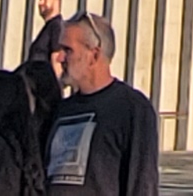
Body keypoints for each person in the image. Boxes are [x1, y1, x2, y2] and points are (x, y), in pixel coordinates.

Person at [39, 11, 157, 196]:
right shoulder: (60, 110)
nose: (60, 58)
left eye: (68, 50)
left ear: (94, 55)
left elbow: (142, 184)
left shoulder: (131, 109)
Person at [22, 0, 71, 117]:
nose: (40, 3)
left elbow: (57, 57)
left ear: (56, 2)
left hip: (43, 96)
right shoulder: (49, 27)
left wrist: (54, 90)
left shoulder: (56, 26)